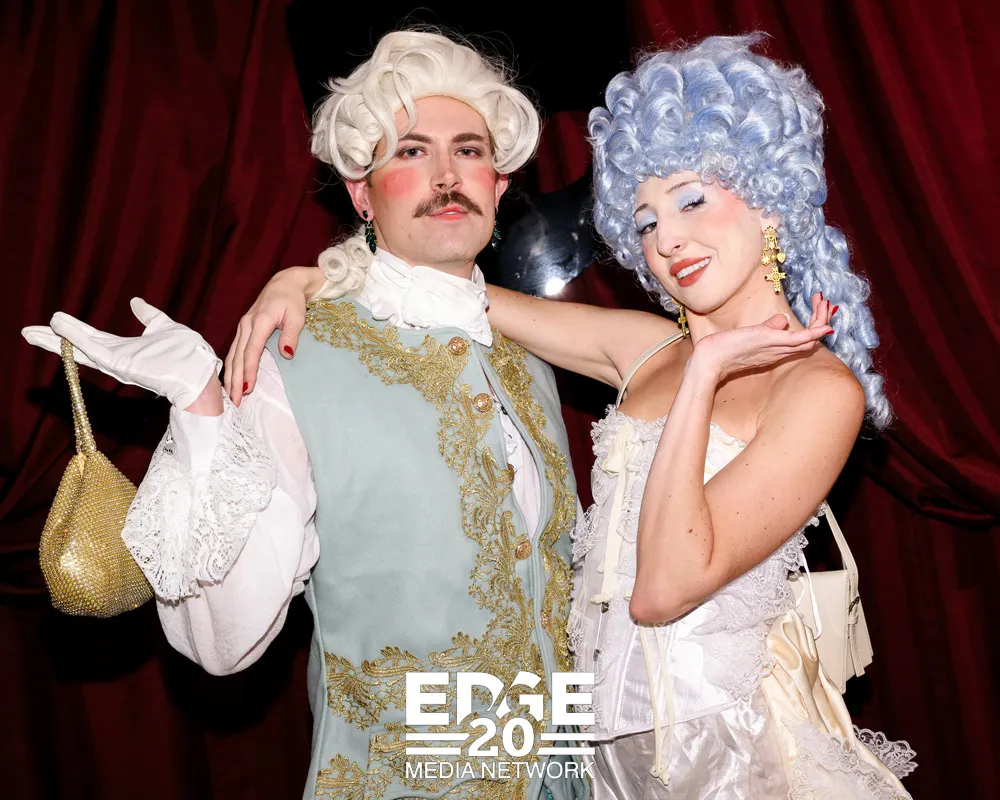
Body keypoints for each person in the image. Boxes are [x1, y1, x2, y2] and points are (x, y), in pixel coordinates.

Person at [234, 34, 916, 799]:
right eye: (645, 221)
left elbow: (663, 589)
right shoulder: (650, 351)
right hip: (597, 764)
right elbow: (443, 289)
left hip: (728, 757)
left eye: (691, 199)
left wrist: (704, 374)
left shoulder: (817, 390)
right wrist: (310, 277)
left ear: (766, 193)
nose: (668, 240)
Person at [24, 30, 590, 800]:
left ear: (498, 183)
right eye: (412, 152)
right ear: (361, 194)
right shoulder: (298, 355)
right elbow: (220, 642)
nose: (447, 176)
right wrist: (201, 408)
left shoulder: (534, 362)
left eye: (469, 151)